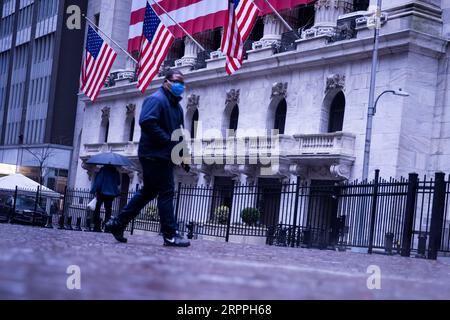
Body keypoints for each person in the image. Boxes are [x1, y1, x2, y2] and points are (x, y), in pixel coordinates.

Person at [105, 70, 191, 247]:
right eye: (177, 81)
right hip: (153, 154)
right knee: (166, 191)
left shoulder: (177, 107)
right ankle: (170, 234)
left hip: (164, 155)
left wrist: (183, 155)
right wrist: (168, 142)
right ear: (166, 82)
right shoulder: (156, 99)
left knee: (148, 192)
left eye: (182, 83)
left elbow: (180, 133)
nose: (180, 86)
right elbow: (147, 121)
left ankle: (117, 223)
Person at [90, 164, 121, 232]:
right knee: (108, 210)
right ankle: (107, 227)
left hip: (102, 192)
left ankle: (97, 226)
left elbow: (98, 182)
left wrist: (94, 190)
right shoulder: (116, 172)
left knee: (97, 209)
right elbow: (118, 183)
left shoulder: (103, 170)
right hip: (111, 194)